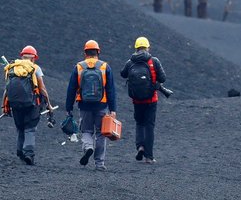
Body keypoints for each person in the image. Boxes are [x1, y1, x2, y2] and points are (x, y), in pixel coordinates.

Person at [65, 39, 117, 171]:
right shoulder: (105, 67)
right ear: (98, 52)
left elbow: (71, 89)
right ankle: (99, 164)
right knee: (101, 134)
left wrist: (69, 107)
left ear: (85, 52)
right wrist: (113, 109)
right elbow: (111, 90)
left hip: (84, 105)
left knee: (86, 131)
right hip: (101, 105)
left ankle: (88, 147)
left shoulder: (79, 67)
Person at [2, 45, 53, 166]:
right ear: (34, 58)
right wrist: (49, 105)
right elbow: (42, 89)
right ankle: (28, 154)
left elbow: (6, 90)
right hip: (32, 105)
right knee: (30, 129)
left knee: (20, 128)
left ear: (22, 56)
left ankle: (20, 152)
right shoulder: (35, 68)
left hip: (15, 105)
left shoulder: (12, 68)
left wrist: (4, 106)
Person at [120, 36, 166, 164]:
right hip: (151, 100)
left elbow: (123, 74)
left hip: (137, 101)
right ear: (147, 47)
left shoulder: (130, 62)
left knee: (140, 123)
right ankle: (149, 157)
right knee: (149, 127)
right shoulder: (154, 61)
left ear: (136, 48)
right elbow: (163, 78)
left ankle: (140, 146)